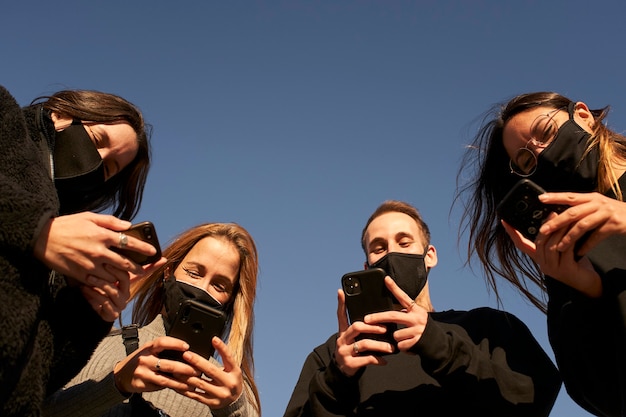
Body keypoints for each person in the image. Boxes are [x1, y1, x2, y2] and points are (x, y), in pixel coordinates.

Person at [283, 200, 561, 416]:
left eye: (404, 242)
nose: (392, 253)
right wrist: (336, 379)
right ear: (367, 267)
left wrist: (437, 343)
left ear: (430, 256)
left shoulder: (487, 328)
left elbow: (534, 398)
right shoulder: (334, 354)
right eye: (379, 248)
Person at [455, 91, 626, 416]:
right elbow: (600, 396)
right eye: (526, 161)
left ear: (583, 115)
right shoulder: (570, 252)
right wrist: (588, 294)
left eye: (546, 132)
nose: (540, 151)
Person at [0, 85, 159, 417]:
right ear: (60, 114)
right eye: (98, 140)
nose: (98, 161)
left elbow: (37, 379)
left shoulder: (69, 251)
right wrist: (37, 230)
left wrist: (88, 316)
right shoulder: (6, 120)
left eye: (110, 168)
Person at [44, 222, 262, 417]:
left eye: (219, 286)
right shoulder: (99, 343)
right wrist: (116, 383)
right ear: (168, 274)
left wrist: (233, 409)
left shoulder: (230, 388)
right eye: (194, 273)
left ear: (230, 301)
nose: (201, 289)